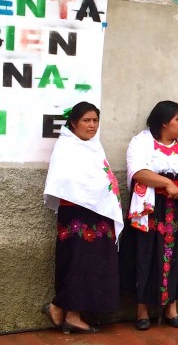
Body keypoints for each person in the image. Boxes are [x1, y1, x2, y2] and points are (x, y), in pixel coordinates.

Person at [42, 101, 123, 334]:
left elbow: (102, 179)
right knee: (78, 261)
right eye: (86, 120)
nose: (92, 125)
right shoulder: (67, 147)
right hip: (77, 213)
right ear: (74, 123)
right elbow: (66, 181)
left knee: (95, 262)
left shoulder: (95, 147)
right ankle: (66, 311)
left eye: (95, 120)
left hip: (98, 213)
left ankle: (65, 311)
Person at [124, 100, 178, 330]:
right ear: (164, 122)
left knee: (177, 254)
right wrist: (166, 182)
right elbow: (138, 171)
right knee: (146, 253)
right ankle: (142, 310)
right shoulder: (141, 142)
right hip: (152, 207)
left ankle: (171, 308)